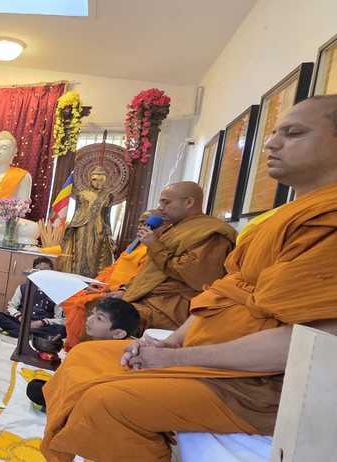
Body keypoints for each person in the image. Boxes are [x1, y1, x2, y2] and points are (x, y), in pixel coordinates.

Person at [41, 96, 337, 462]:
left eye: (293, 133)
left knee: (105, 402)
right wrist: (171, 346)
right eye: (274, 132)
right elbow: (220, 295)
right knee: (85, 357)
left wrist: (176, 359)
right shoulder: (283, 217)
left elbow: (307, 341)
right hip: (206, 354)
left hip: (253, 384)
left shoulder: (326, 219)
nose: (271, 143)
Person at [111, 181, 236, 330]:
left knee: (101, 319)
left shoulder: (212, 232)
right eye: (160, 203)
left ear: (189, 202)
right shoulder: (174, 228)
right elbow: (150, 271)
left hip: (170, 306)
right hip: (147, 298)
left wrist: (154, 245)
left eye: (166, 202)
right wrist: (126, 290)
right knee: (90, 305)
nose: (160, 208)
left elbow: (198, 277)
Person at [62, 210, 158, 350]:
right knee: (71, 294)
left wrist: (109, 290)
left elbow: (137, 279)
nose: (140, 227)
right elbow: (112, 269)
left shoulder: (151, 251)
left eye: (145, 224)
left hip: (119, 292)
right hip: (105, 287)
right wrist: (97, 283)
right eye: (139, 223)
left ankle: (74, 347)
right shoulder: (134, 246)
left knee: (80, 303)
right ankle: (69, 337)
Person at [58, 167, 115, 277]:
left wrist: (109, 234)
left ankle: (91, 280)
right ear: (90, 179)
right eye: (95, 179)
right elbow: (77, 212)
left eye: (101, 180)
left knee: (95, 256)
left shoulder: (108, 196)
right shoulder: (82, 194)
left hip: (98, 228)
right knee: (79, 253)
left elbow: (106, 216)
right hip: (82, 227)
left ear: (105, 180)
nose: (98, 182)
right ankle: (76, 277)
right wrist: (70, 228)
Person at [0, 257, 64, 338]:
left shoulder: (57, 292)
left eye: (46, 269)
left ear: (51, 271)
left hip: (41, 325)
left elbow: (60, 319)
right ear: (33, 271)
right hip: (22, 321)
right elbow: (11, 307)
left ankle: (19, 332)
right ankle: (29, 333)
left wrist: (42, 322)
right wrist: (19, 317)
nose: (42, 272)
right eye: (38, 269)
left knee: (62, 330)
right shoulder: (23, 287)